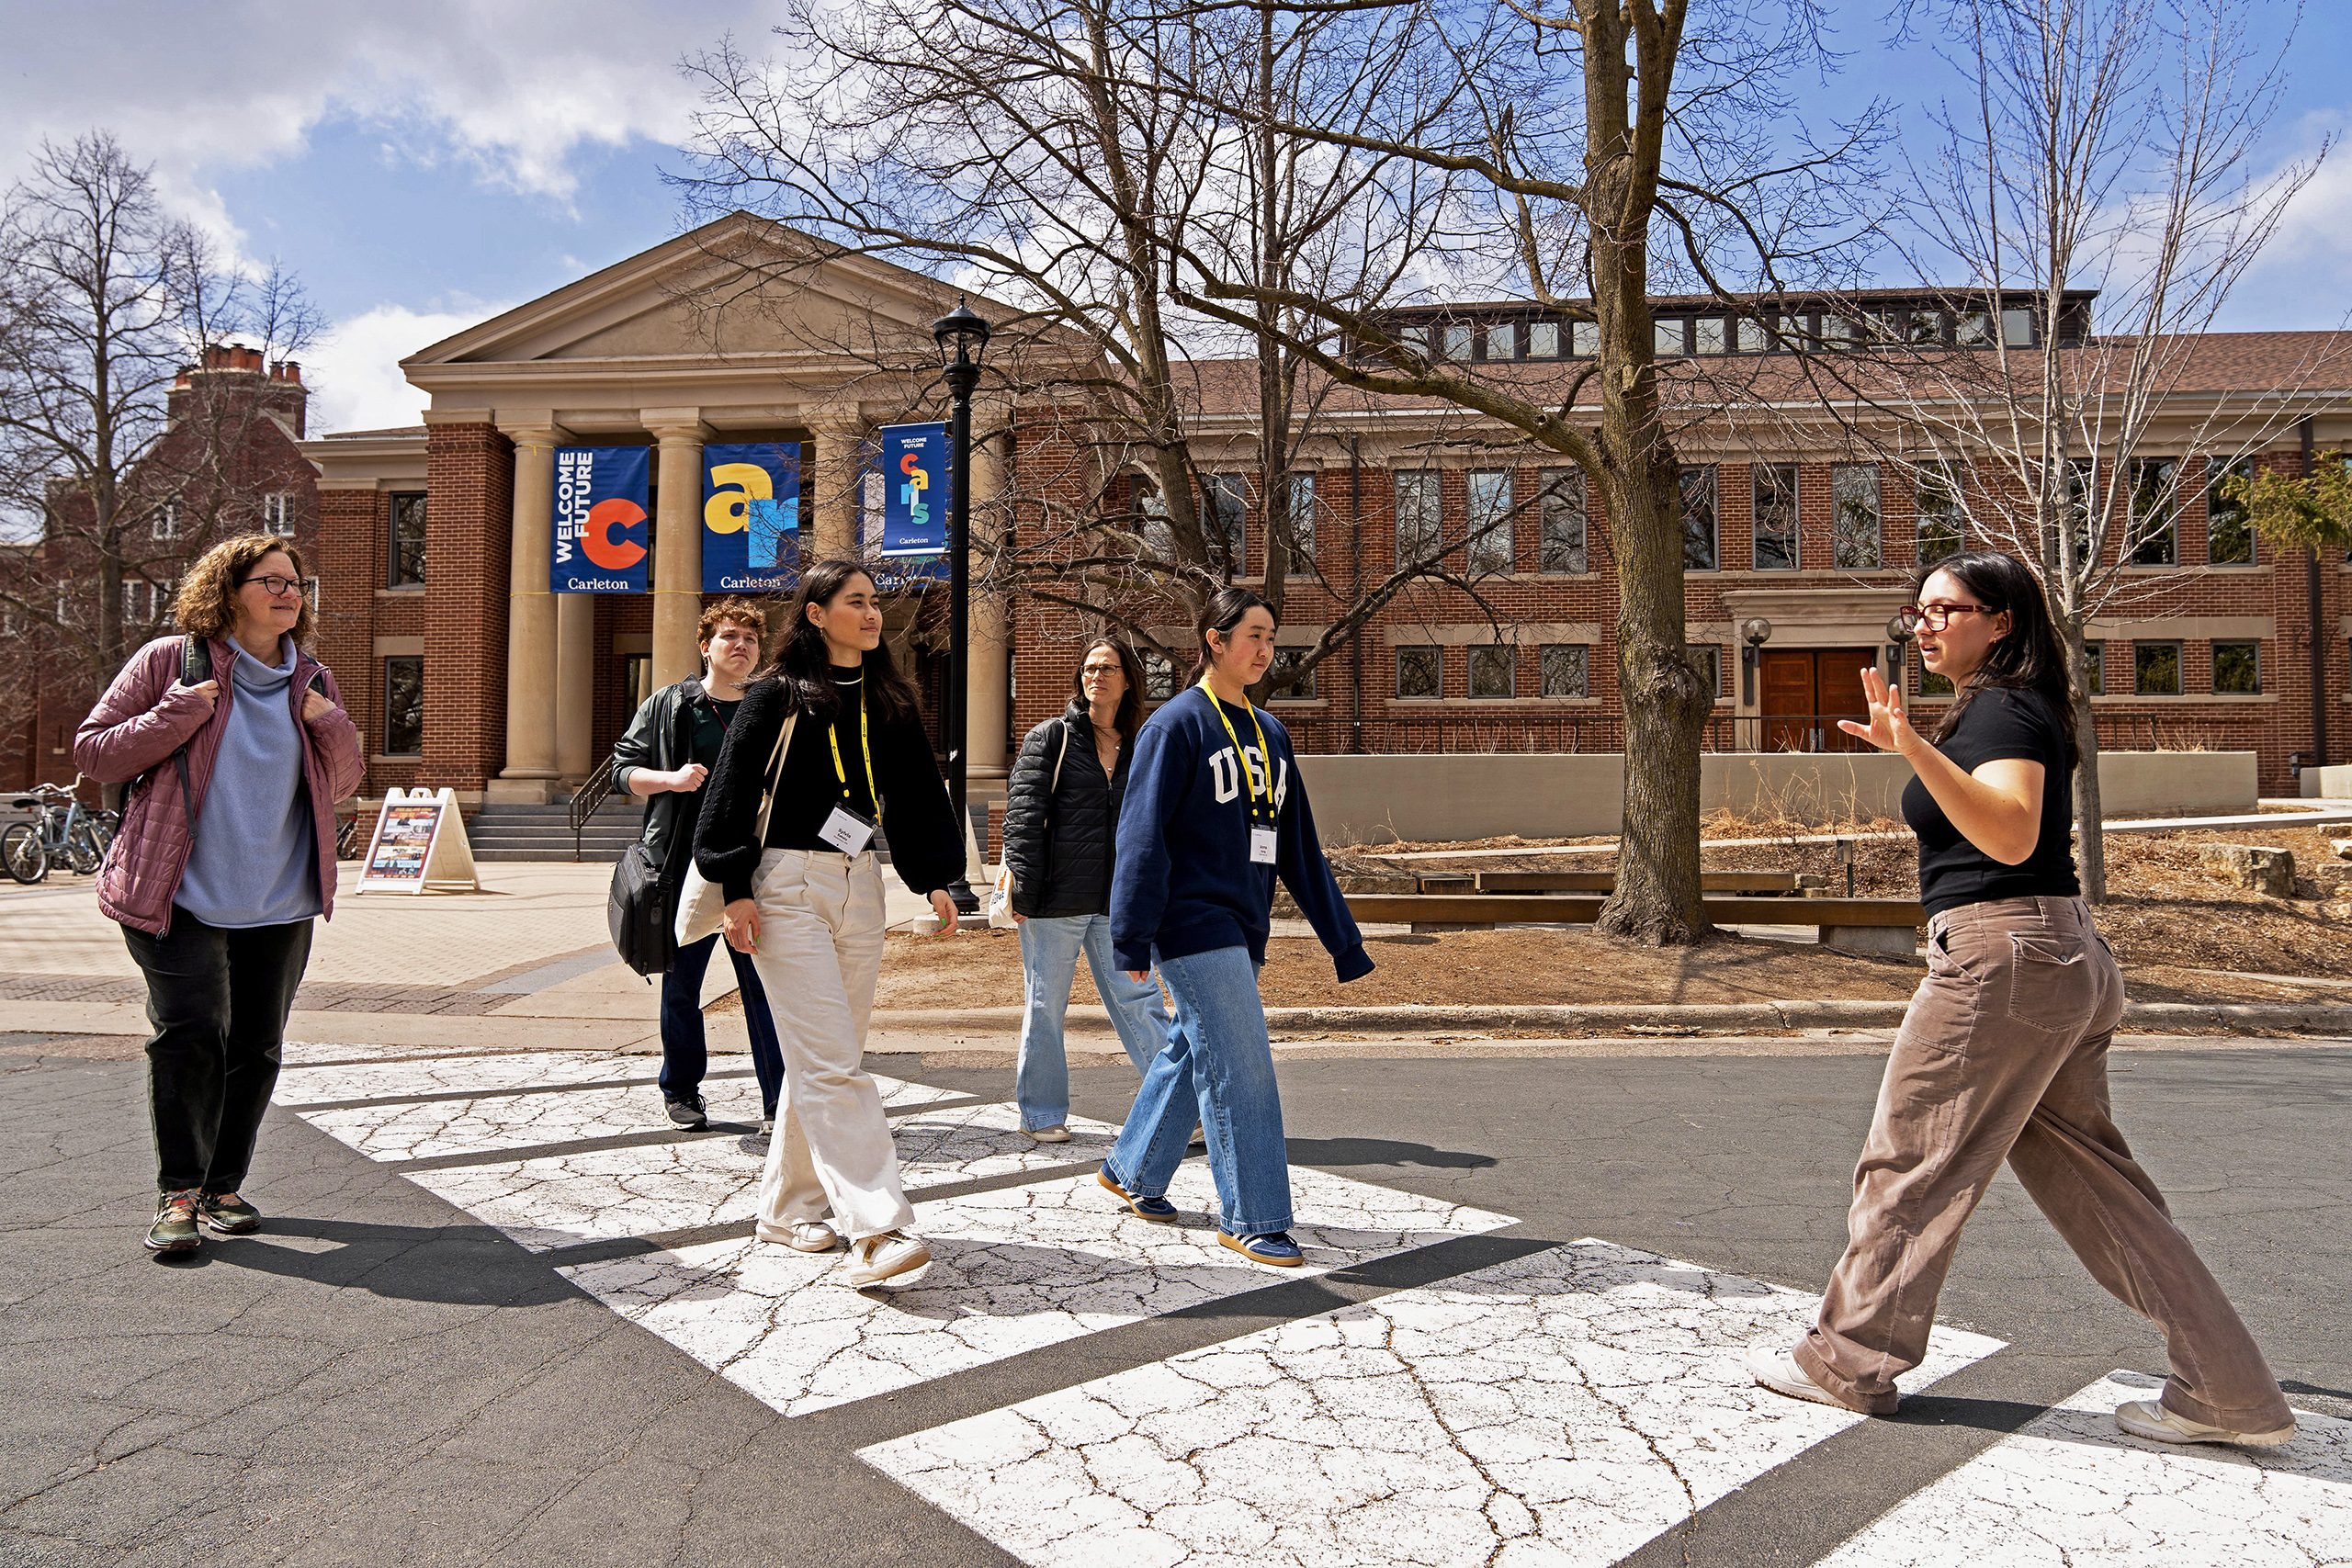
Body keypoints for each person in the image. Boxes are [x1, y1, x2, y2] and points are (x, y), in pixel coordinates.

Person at [1747, 549, 2295, 1449]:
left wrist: (1911, 746)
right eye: (1914, 612)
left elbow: (2006, 833)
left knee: (1910, 1157)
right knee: (2101, 1193)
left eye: (1942, 609)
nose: (1919, 625)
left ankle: (1848, 1360)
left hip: (2004, 957)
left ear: (2000, 621)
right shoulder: (2004, 708)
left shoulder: (2003, 707)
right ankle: (2229, 1391)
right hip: (2050, 955)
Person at [74, 534, 365, 1256]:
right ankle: (178, 1191)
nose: (288, 592)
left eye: (296, 582)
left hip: (281, 896)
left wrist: (331, 725)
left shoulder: (313, 679)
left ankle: (221, 1185)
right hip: (177, 891)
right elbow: (95, 749)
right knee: (191, 1034)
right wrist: (176, 714)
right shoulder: (173, 662)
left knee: (256, 1044)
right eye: (270, 580)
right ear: (228, 590)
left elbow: (344, 782)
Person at [695, 559, 966, 1289]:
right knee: (831, 1063)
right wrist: (733, 886)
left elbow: (914, 792)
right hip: (783, 884)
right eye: (856, 602)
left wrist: (937, 875)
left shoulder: (890, 697)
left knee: (825, 1055)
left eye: (876, 602)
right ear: (816, 614)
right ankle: (877, 1226)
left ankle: (785, 1211)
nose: (873, 613)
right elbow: (728, 792)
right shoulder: (777, 696)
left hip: (860, 882)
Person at [1098, 587, 1372, 1268]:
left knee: (1195, 1049)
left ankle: (1132, 1168)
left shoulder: (1271, 733)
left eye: (1271, 637)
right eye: (1252, 635)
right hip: (1191, 923)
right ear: (1214, 641)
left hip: (1245, 925)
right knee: (1241, 1063)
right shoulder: (1175, 724)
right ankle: (1252, 1215)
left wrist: (1344, 939)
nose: (1265, 649)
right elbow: (1140, 837)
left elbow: (1298, 844)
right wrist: (1131, 935)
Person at [613, 597, 787, 1136]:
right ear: (705, 645)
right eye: (730, 637)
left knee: (764, 989)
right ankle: (681, 1090)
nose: (742, 647)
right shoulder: (671, 705)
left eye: (751, 639)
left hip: (752, 872)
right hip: (680, 869)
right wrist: (670, 779)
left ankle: (776, 1103)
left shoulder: (774, 705)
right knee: (682, 987)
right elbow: (623, 770)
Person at [1001, 637, 1175, 1142]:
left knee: (1140, 1002)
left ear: (1127, 680)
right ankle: (1041, 1113)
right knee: (1045, 1007)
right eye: (1090, 668)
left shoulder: (1143, 745)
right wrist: (1026, 894)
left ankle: (1175, 1109)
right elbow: (1025, 818)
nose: (1096, 676)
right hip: (1054, 903)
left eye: (1108, 668)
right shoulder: (1050, 739)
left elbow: (1154, 824)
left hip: (1116, 904)